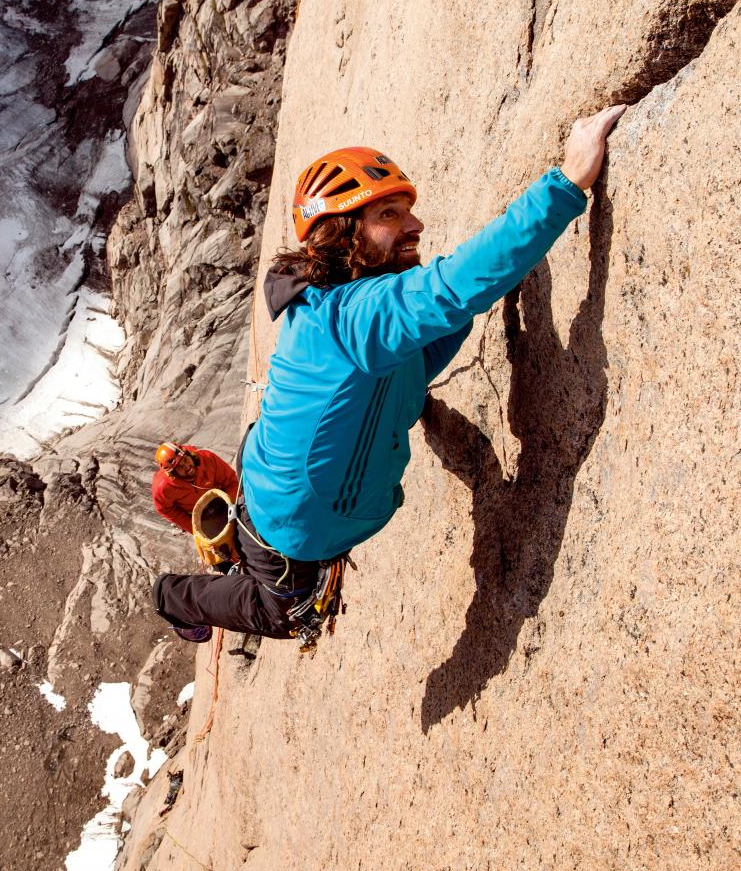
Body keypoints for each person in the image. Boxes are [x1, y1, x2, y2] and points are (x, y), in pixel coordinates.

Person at [153, 105, 627, 642]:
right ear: (342, 233)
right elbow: (450, 289)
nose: (415, 225)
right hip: (287, 526)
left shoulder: (343, 309)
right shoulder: (356, 314)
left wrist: (484, 292)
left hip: (283, 485)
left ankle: (231, 546)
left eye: (406, 211)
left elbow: (417, 350)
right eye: (390, 215)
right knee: (287, 615)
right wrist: (566, 184)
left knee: (273, 571)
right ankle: (172, 599)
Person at [151, 442, 238, 534]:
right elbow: (166, 509)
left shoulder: (207, 459)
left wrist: (232, 509)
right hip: (199, 515)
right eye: (179, 467)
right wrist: (194, 528)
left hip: (224, 500)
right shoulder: (163, 488)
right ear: (173, 474)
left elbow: (232, 483)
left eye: (185, 459)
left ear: (189, 454)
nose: (186, 466)